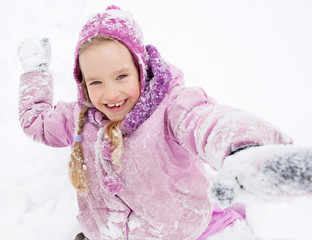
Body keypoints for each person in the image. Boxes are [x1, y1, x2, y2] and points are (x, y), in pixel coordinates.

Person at [17, 5, 312, 240]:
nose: (110, 93)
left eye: (121, 76)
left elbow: (207, 123)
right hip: (106, 232)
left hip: (178, 232)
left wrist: (245, 151)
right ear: (82, 83)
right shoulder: (79, 118)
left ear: (140, 69)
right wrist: (36, 72)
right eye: (96, 81)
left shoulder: (171, 109)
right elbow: (36, 122)